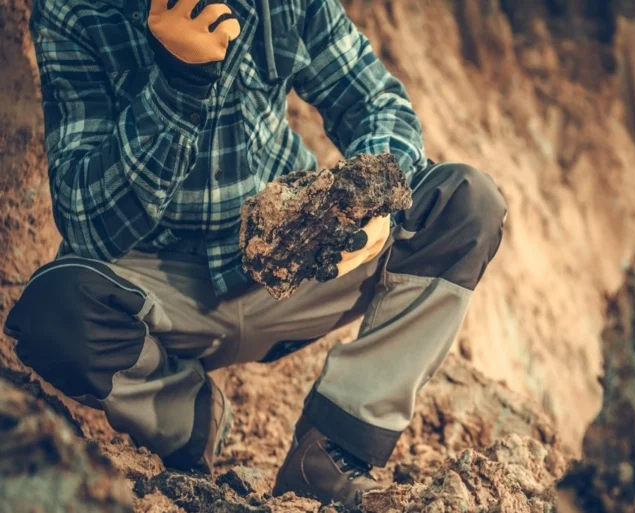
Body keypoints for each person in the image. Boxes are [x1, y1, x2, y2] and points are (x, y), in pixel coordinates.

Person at [4, 0, 507, 508]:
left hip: (294, 259)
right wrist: (177, 88)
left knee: (464, 201)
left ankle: (332, 452)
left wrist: (367, 201)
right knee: (55, 313)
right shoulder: (76, 11)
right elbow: (86, 222)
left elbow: (375, 101)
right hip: (156, 288)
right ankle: (189, 424)